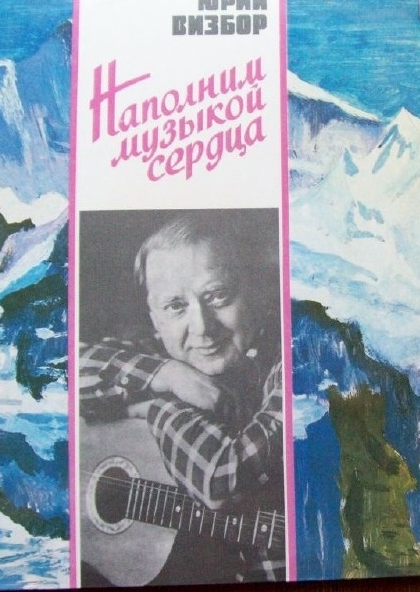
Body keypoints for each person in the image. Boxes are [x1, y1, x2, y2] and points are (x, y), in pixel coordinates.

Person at [78, 211, 284, 585]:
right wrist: (165, 373)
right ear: (154, 319)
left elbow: (223, 479)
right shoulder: (155, 357)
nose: (202, 327)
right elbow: (53, 369)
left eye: (217, 296)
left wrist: (155, 409)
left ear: (254, 291)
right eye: (176, 306)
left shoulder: (295, 356)